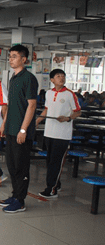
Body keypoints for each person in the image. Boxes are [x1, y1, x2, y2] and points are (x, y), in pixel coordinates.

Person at [0, 44, 38, 213]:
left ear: (24, 59)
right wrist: (4, 124)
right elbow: (10, 105)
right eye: (10, 56)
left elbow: (32, 105)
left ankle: (20, 201)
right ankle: (14, 195)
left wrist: (23, 130)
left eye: (14, 56)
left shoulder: (29, 78)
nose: (11, 59)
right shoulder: (13, 78)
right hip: (11, 129)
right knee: (12, 165)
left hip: (21, 131)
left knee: (21, 167)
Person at [35, 69, 81, 197]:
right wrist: (37, 120)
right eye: (58, 76)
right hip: (49, 132)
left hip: (62, 134)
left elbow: (78, 111)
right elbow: (47, 110)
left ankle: (51, 189)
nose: (61, 78)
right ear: (52, 80)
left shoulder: (70, 94)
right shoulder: (49, 93)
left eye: (63, 76)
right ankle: (57, 183)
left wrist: (68, 118)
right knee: (50, 161)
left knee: (56, 162)